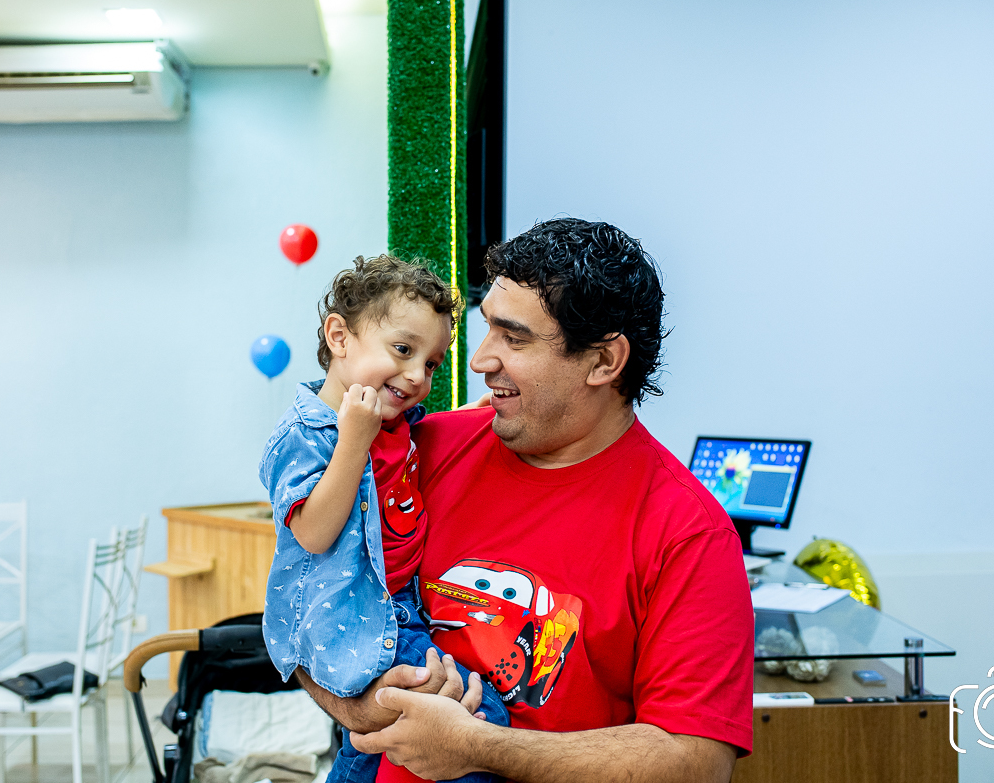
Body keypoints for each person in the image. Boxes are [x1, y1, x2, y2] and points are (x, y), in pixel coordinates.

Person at [294, 219, 755, 783]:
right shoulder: (419, 450)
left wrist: (481, 747)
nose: (481, 360)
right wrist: (363, 705)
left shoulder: (688, 533)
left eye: (514, 339)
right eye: (487, 329)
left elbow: (698, 763)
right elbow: (302, 595)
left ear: (604, 362)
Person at [259, 255, 509, 783]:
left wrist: (479, 412)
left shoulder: (393, 423)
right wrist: (353, 442)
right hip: (353, 617)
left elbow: (428, 427)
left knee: (375, 743)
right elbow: (312, 532)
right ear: (339, 336)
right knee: (482, 718)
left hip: (398, 607)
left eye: (432, 363)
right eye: (402, 350)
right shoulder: (306, 434)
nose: (418, 375)